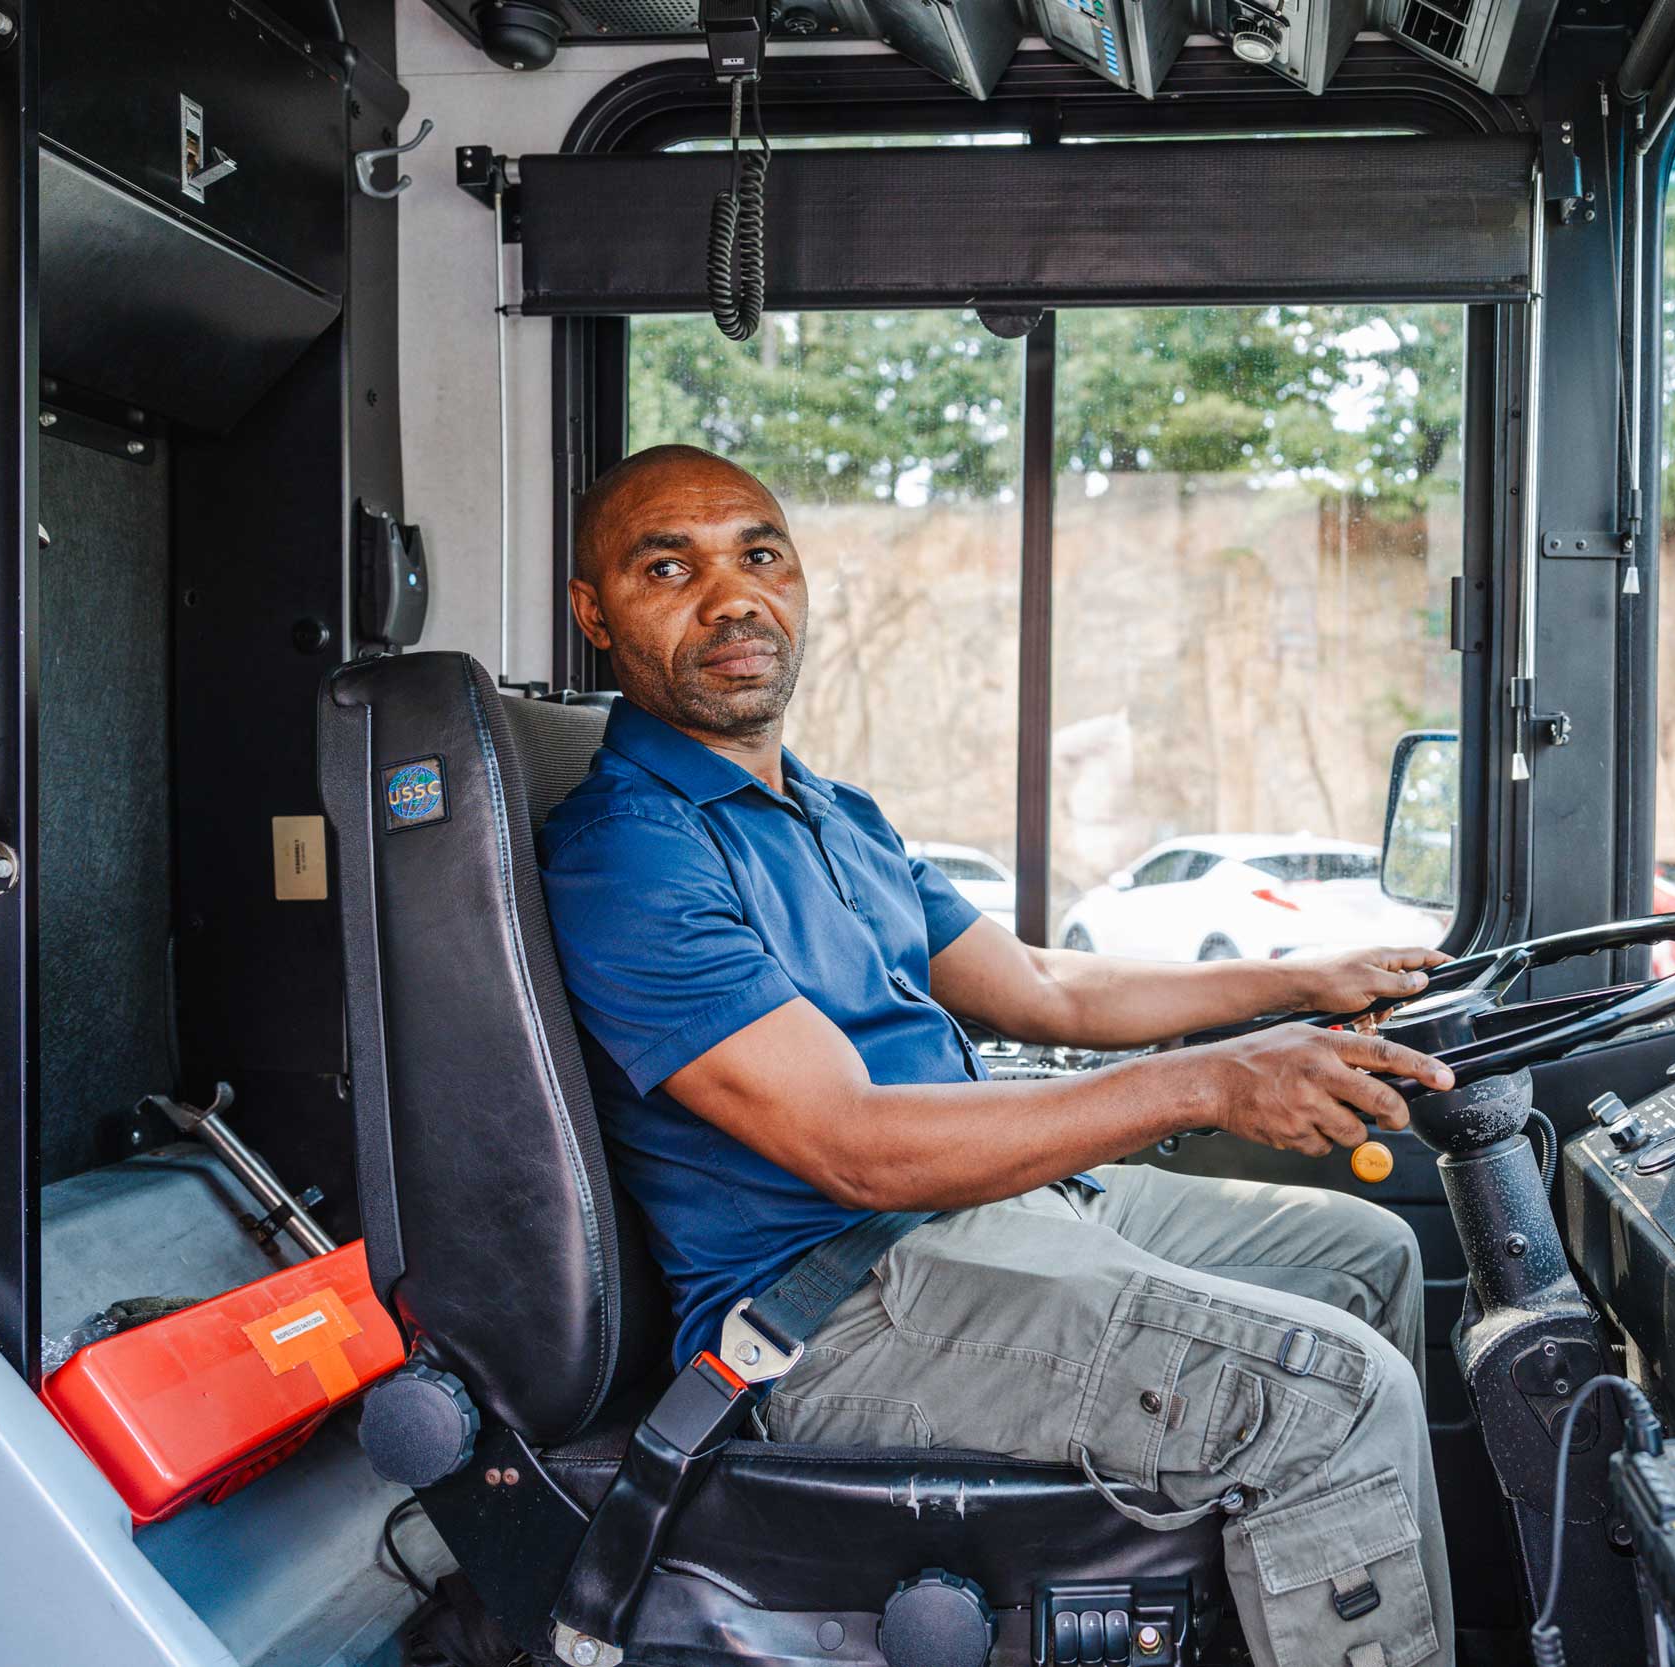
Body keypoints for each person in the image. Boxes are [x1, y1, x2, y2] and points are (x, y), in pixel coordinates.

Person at [540, 444, 1457, 1667]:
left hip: (987, 1215)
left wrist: (1301, 978)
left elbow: (1044, 981)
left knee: (1365, 1248)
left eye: (759, 554)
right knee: (1335, 1390)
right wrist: (1211, 1079)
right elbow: (856, 1146)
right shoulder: (630, 853)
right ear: (595, 614)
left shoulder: (831, 812)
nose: (732, 597)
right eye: (669, 567)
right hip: (839, 1308)